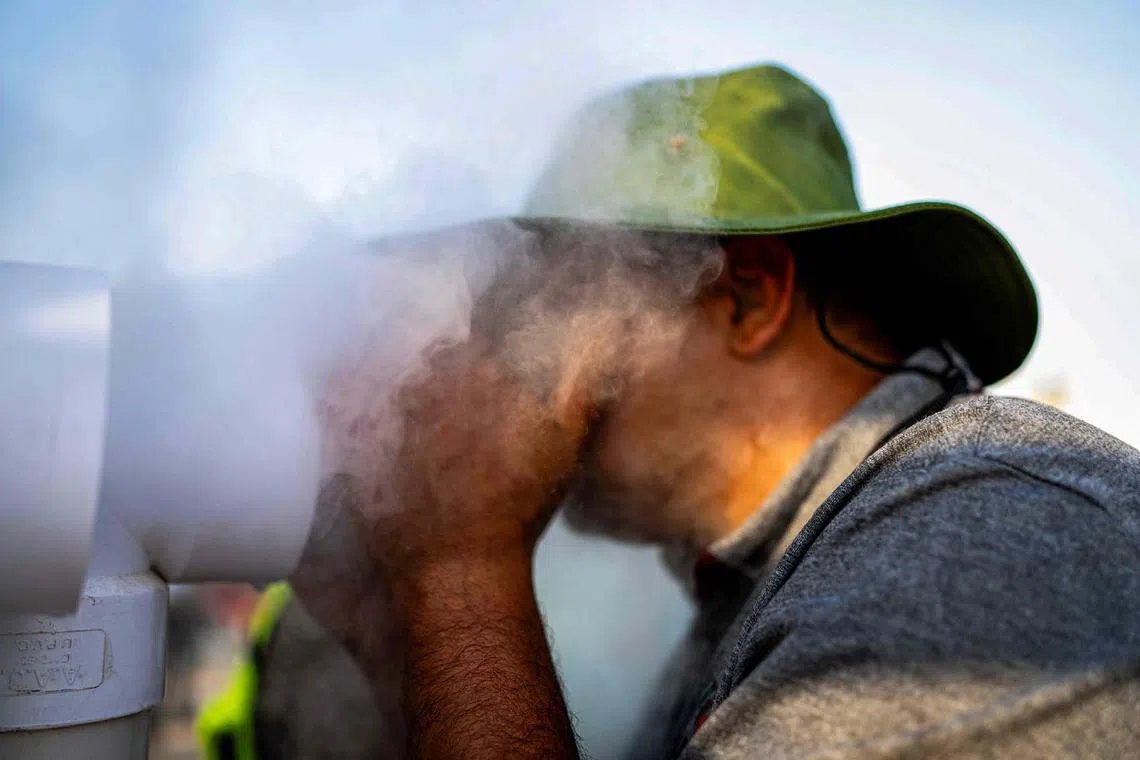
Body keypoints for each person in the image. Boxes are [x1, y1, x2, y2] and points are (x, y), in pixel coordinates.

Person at [201, 63, 1140, 759]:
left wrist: (460, 568)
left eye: (542, 307)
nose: (508, 360)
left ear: (745, 297)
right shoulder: (776, 583)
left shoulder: (977, 529)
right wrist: (397, 635)